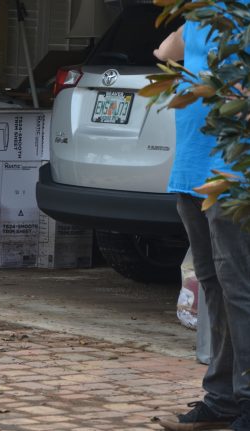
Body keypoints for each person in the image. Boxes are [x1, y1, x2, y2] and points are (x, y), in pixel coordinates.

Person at [153, 4, 250, 431]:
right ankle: (223, 398)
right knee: (213, 287)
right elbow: (163, 51)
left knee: (240, 290)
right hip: (190, 173)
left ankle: (246, 401)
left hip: (232, 174)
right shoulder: (201, 17)